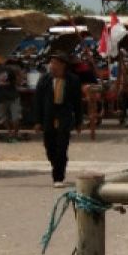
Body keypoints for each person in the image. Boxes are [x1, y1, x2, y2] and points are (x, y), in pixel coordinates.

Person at [33, 52, 83, 187]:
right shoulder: (44, 80)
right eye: (51, 63)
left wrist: (79, 121)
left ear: (63, 65)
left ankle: (58, 177)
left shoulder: (73, 80)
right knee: (50, 147)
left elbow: (77, 102)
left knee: (62, 146)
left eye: (55, 63)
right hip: (48, 116)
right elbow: (38, 101)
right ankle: (58, 164)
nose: (52, 66)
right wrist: (37, 121)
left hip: (64, 116)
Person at [0, 54, 23, 141]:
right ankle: (15, 133)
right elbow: (16, 83)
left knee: (3, 117)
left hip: (1, 98)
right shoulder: (9, 69)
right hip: (13, 96)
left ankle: (9, 132)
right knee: (15, 116)